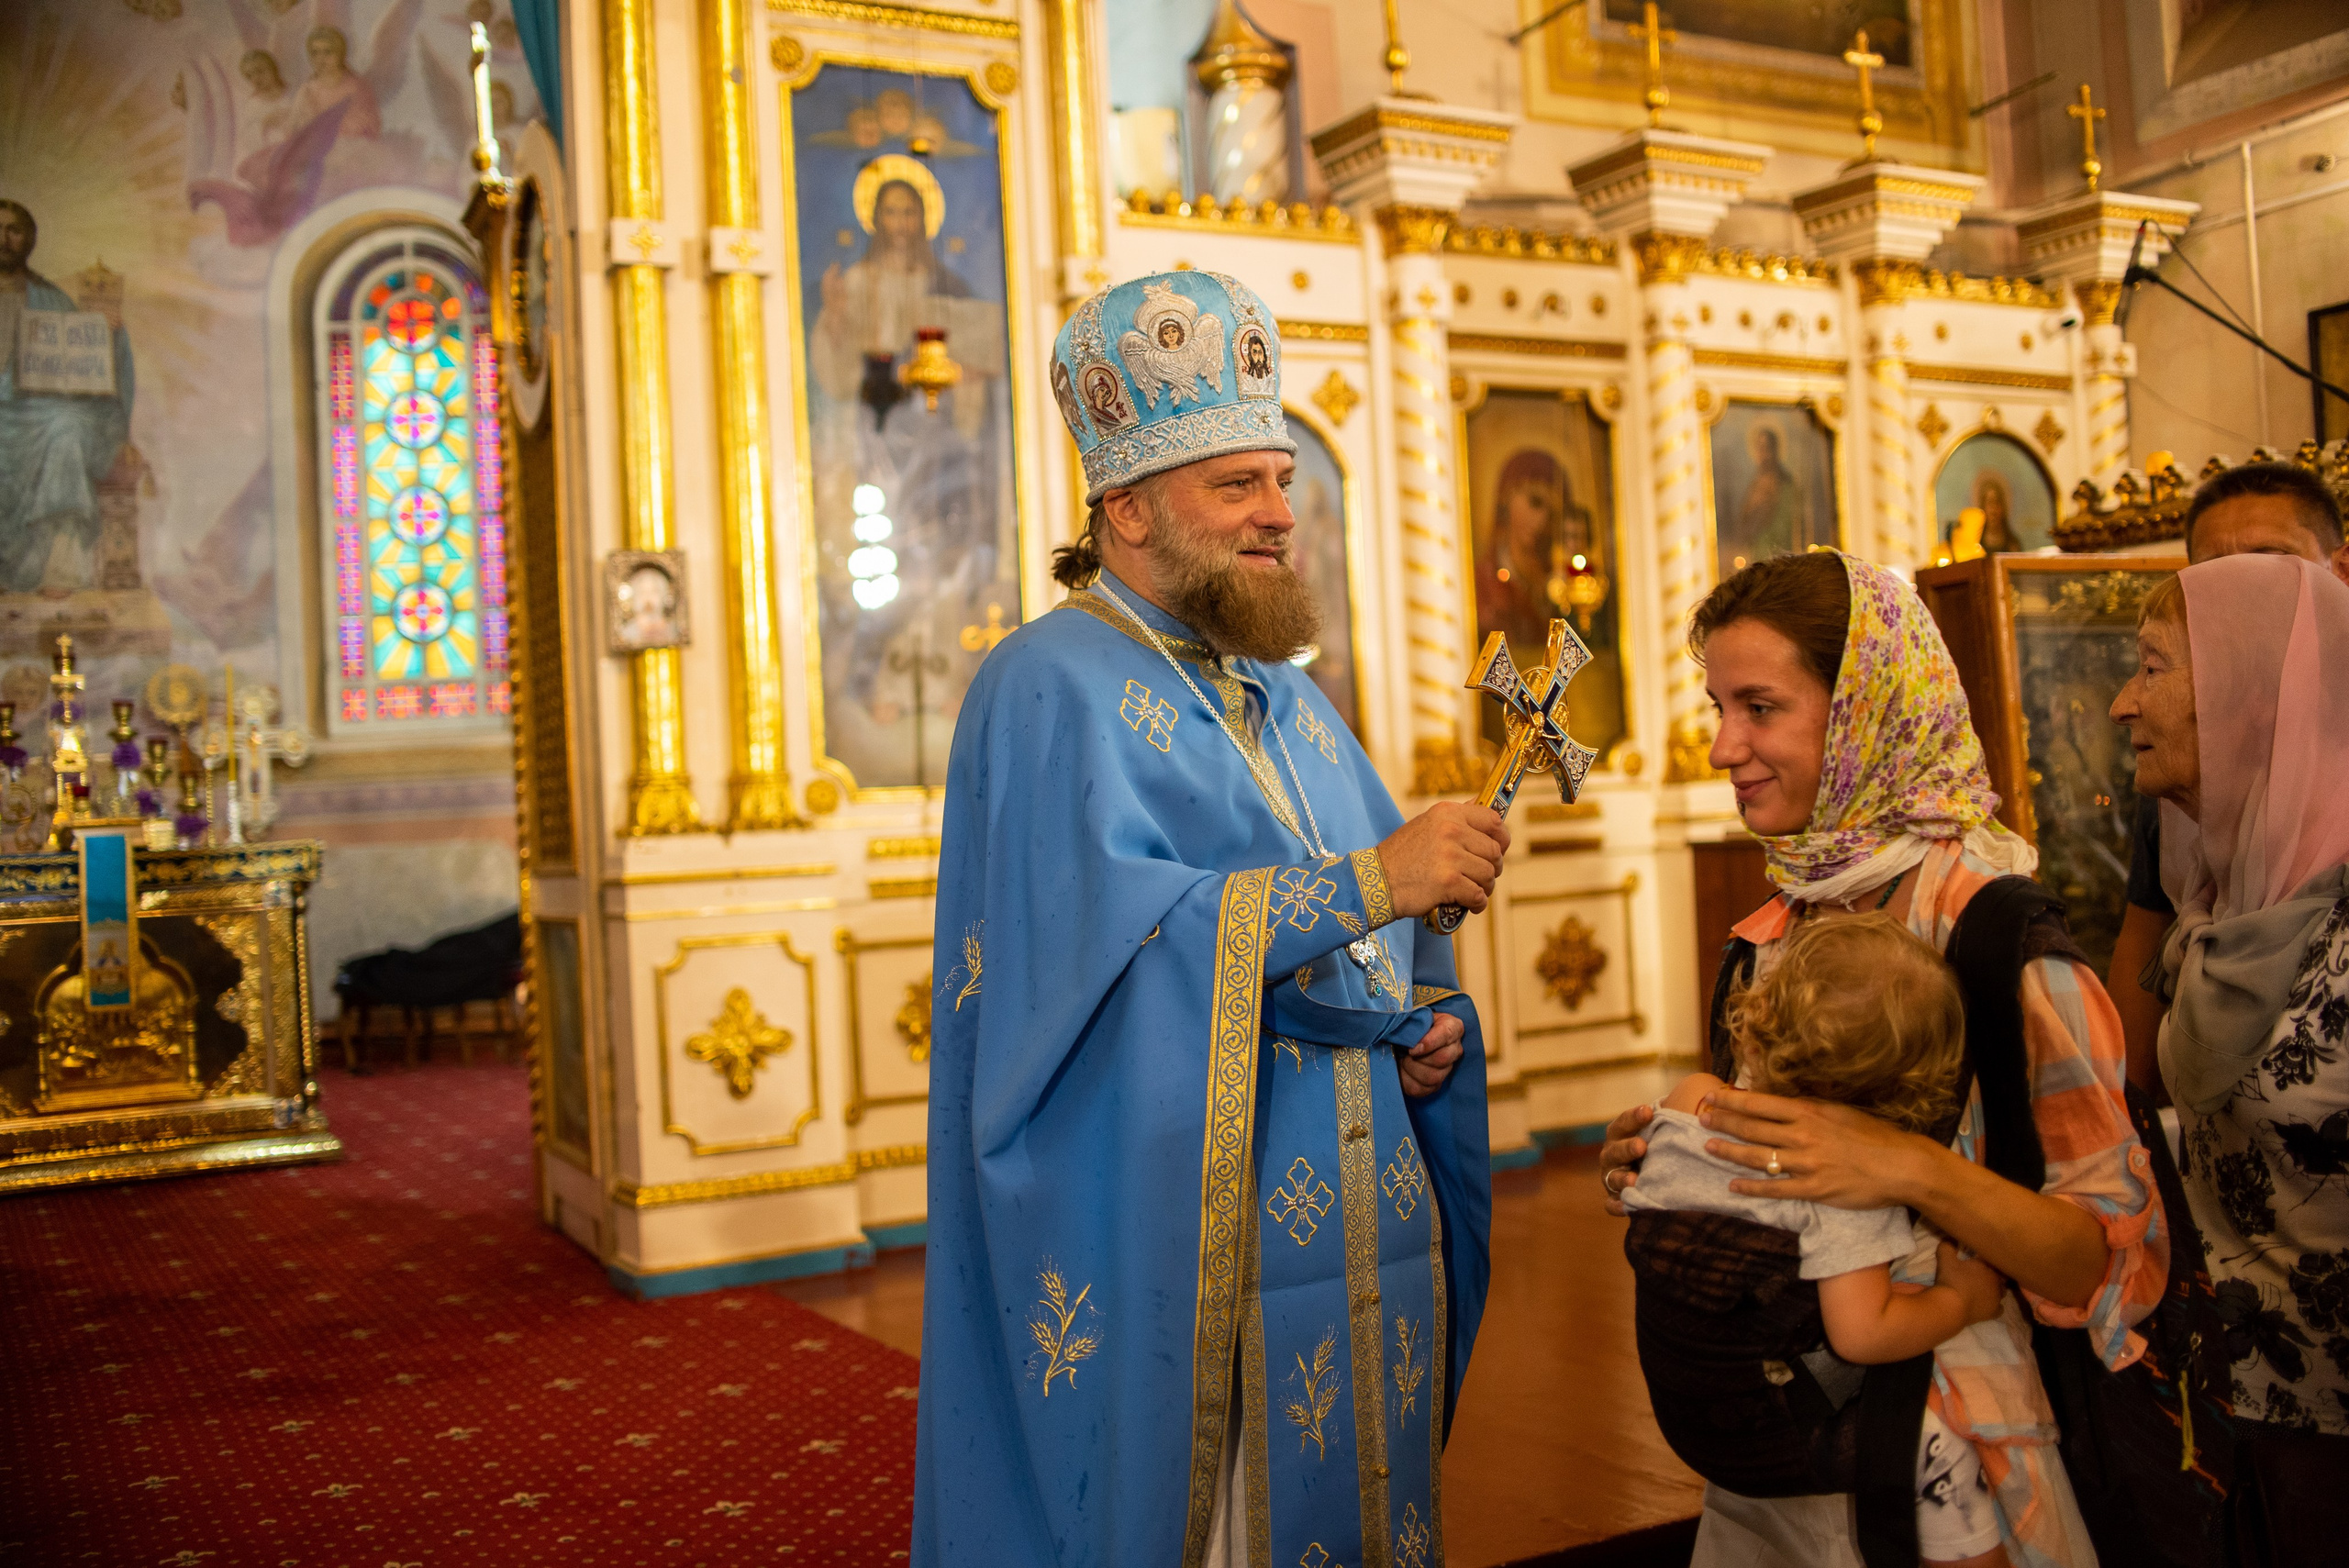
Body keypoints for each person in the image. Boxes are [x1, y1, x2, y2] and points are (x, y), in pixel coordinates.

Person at [914, 270, 1502, 1567]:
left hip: (1357, 1210)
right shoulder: (1045, 687)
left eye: (1281, 481)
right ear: (1126, 505)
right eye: (1237, 485)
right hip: (1190, 1232)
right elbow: (1102, 965)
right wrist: (1373, 884)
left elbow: (1363, 954)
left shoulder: (1287, 695)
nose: (1279, 515)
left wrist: (1420, 1026)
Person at [1598, 549, 2166, 1567]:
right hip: (1783, 1466)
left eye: (1759, 706)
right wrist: (1680, 1164)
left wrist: (1908, 1168)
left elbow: (2103, 1254)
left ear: (1866, 708)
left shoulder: (1995, 938)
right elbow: (1785, 1174)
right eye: (1718, 704)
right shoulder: (1775, 927)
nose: (1724, 744)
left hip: (1959, 1443)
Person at [1625, 914, 2012, 1568]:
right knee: (1940, 1444)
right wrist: (1962, 1302)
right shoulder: (1841, 1187)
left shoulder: (1695, 1100)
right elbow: (1863, 1331)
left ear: (1759, 1018)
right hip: (1773, 1434)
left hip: (1680, 1407)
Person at [2109, 554, 2349, 1557]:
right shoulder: (2217, 902)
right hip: (2230, 1417)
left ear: (2254, 702)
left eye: (2153, 668)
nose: (2122, 702)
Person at [2105, 462, 2349, 1095]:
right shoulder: (2187, 786)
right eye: (2212, 580)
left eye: (2270, 566)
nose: (2237, 604)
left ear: (2338, 571)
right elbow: (2146, 944)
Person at [0, 199, 135, 595]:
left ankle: (57, 564)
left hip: (36, 408)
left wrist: (108, 332)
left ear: (29, 240)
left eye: (14, 230)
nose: (3, 238)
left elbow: (84, 367)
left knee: (69, 425)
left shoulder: (51, 299)